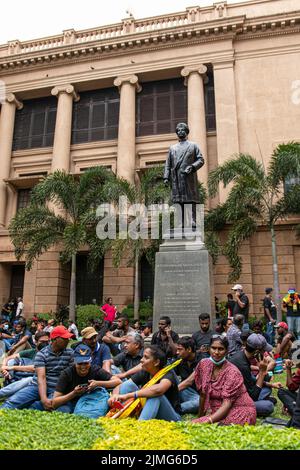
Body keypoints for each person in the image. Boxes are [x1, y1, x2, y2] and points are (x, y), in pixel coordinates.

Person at [0, 325, 74, 411]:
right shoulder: (42, 354)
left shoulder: (70, 353)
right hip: (36, 386)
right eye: (64, 338)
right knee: (12, 402)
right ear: (55, 339)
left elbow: (69, 375)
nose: (68, 341)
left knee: (63, 409)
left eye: (68, 338)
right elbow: (41, 378)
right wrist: (43, 399)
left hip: (57, 389)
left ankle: (34, 405)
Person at [192, 335, 256, 425]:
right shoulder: (204, 364)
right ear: (208, 349)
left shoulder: (232, 372)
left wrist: (208, 420)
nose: (216, 352)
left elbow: (227, 404)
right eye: (213, 348)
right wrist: (200, 417)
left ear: (226, 351)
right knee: (194, 424)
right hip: (219, 410)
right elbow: (203, 394)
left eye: (220, 349)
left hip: (240, 409)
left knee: (220, 426)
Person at [108, 345, 182, 421]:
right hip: (150, 411)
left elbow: (159, 390)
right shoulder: (145, 372)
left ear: (156, 362)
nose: (141, 360)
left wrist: (128, 395)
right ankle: (120, 415)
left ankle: (140, 426)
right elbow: (121, 385)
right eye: (142, 356)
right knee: (127, 385)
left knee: (155, 395)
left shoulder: (168, 374)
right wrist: (115, 395)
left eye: (146, 357)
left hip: (172, 418)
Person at [51, 344, 121, 413]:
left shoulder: (95, 369)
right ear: (74, 362)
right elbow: (54, 403)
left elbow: (118, 381)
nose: (83, 366)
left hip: (91, 401)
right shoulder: (66, 374)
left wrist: (98, 383)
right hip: (70, 403)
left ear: (90, 361)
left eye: (86, 363)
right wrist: (74, 393)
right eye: (80, 363)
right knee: (64, 410)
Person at [163, 122, 204, 230]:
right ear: (177, 133)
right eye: (179, 130)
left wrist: (192, 167)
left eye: (183, 130)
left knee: (190, 200)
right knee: (178, 201)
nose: (181, 131)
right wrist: (166, 177)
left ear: (186, 132)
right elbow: (168, 164)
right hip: (176, 178)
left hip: (189, 177)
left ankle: (192, 220)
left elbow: (200, 160)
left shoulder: (193, 145)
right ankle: (179, 222)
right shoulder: (172, 148)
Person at [229, 333, 281, 417]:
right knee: (269, 406)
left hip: (242, 392)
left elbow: (251, 379)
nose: (265, 352)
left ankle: (263, 400)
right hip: (235, 401)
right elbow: (253, 397)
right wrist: (262, 372)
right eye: (263, 350)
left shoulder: (241, 356)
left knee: (267, 390)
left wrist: (271, 384)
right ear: (257, 351)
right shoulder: (243, 365)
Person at [0, 331, 50, 399]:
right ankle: (9, 381)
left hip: (35, 380)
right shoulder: (32, 352)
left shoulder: (49, 354)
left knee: (29, 379)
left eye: (47, 341)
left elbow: (35, 368)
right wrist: (4, 368)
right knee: (11, 361)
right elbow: (8, 358)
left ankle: (2, 392)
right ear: (36, 342)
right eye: (42, 341)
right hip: (20, 376)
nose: (45, 344)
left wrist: (11, 367)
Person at [175, 337, 202, 414]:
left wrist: (172, 391)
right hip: (183, 390)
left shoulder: (202, 360)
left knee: (199, 403)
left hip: (197, 395)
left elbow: (189, 381)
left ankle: (174, 409)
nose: (177, 352)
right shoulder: (179, 360)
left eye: (180, 349)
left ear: (189, 349)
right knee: (168, 371)